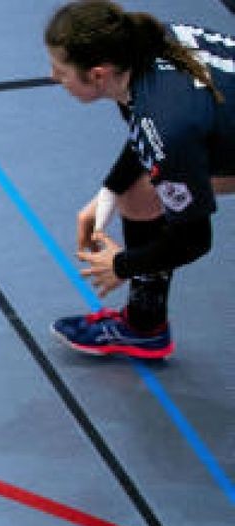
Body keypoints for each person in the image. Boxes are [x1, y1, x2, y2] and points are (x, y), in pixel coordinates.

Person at [43, 0, 235, 359]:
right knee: (138, 192)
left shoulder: (167, 121)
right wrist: (109, 192)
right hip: (217, 126)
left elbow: (193, 239)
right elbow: (144, 137)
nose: (53, 77)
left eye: (61, 70)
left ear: (98, 74)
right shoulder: (139, 49)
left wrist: (122, 265)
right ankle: (144, 326)